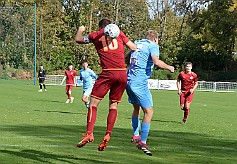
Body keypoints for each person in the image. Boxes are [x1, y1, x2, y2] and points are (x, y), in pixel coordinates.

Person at [75, 18, 136, 151]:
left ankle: (89, 133)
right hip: (122, 73)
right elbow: (133, 47)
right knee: (113, 105)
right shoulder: (120, 33)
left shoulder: (96, 35)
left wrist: (81, 29)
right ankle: (108, 134)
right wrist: (121, 57)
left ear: (101, 27)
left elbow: (79, 39)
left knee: (93, 104)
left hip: (108, 73)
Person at [126, 30, 174, 156]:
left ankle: (136, 135)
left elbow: (126, 57)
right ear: (156, 39)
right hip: (139, 82)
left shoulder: (137, 43)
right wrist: (169, 67)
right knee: (149, 111)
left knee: (137, 109)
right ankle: (143, 141)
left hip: (129, 80)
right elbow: (156, 61)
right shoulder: (153, 45)